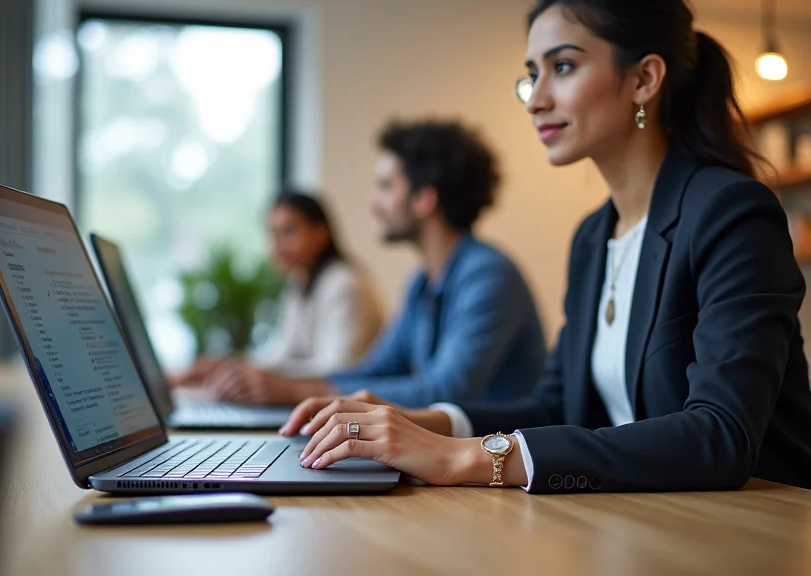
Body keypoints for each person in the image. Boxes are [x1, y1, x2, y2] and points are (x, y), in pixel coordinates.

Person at [280, 0, 811, 492]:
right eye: (532, 75)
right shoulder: (591, 237)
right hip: (644, 522)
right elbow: (558, 404)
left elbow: (720, 435)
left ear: (644, 79)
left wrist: (466, 458)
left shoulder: (730, 212)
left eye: (562, 67)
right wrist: (415, 423)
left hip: (755, 526)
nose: (535, 99)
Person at [205, 120, 547, 408]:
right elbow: (377, 370)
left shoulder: (488, 275)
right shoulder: (421, 283)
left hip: (499, 470)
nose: (375, 202)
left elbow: (446, 391)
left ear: (425, 198)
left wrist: (295, 391)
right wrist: (275, 385)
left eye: (385, 186)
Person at [173, 191, 384, 390]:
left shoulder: (346, 284)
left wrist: (261, 377)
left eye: (288, 232)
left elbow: (340, 368)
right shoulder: (300, 284)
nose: (277, 246)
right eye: (273, 234)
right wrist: (228, 367)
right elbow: (281, 355)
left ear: (321, 233)